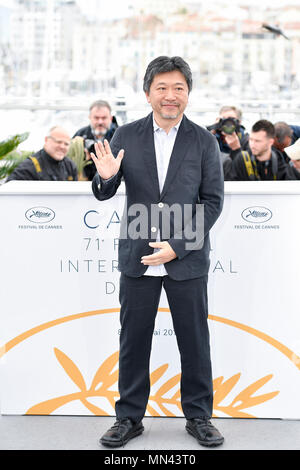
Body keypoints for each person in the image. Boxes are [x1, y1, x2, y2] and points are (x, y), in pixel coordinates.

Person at [91, 56, 224, 448]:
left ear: (188, 94)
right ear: (147, 93)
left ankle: (199, 416)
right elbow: (104, 191)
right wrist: (105, 177)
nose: (170, 96)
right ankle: (128, 418)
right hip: (138, 254)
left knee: (194, 340)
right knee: (134, 339)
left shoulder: (204, 140)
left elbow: (212, 202)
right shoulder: (125, 136)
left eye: (178, 88)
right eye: (162, 88)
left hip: (186, 259)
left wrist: (177, 247)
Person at [6, 126, 77, 182]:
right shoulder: (29, 167)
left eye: (66, 144)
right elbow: (9, 193)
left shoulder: (70, 166)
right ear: (46, 140)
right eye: (58, 142)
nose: (62, 147)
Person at [73, 100, 118, 180]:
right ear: (90, 117)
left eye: (104, 118)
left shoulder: (120, 136)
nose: (100, 122)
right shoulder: (79, 136)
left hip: (114, 183)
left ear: (110, 118)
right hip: (85, 184)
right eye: (96, 118)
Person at [207, 105, 249, 180]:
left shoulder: (246, 141)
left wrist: (237, 149)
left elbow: (247, 172)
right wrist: (211, 133)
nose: (228, 124)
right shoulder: (214, 138)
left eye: (231, 120)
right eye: (224, 120)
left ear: (239, 122)